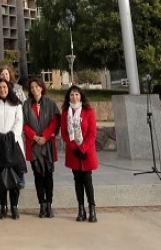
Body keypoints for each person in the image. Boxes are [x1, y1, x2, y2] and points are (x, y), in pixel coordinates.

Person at [0, 78, 26, 219]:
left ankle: (14, 206)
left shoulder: (16, 104)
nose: (2, 90)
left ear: (9, 88)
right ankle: (3, 206)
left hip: (13, 144)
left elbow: (19, 122)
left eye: (4, 87)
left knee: (15, 179)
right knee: (1, 179)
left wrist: (10, 136)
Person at [23, 76, 60, 218]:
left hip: (47, 144)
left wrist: (45, 136)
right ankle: (42, 205)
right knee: (38, 175)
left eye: (37, 86)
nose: (34, 89)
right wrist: (35, 137)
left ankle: (49, 204)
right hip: (34, 145)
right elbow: (24, 124)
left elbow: (55, 121)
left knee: (48, 175)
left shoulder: (50, 103)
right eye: (32, 87)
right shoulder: (26, 105)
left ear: (41, 87)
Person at [61, 85, 99, 222]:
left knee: (88, 181)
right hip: (73, 152)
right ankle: (81, 209)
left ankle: (92, 209)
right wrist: (74, 148)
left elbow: (92, 133)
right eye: (71, 95)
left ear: (81, 96)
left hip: (87, 152)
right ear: (68, 97)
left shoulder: (88, 111)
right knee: (77, 181)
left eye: (77, 94)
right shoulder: (66, 112)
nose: (74, 97)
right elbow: (64, 133)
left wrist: (82, 148)